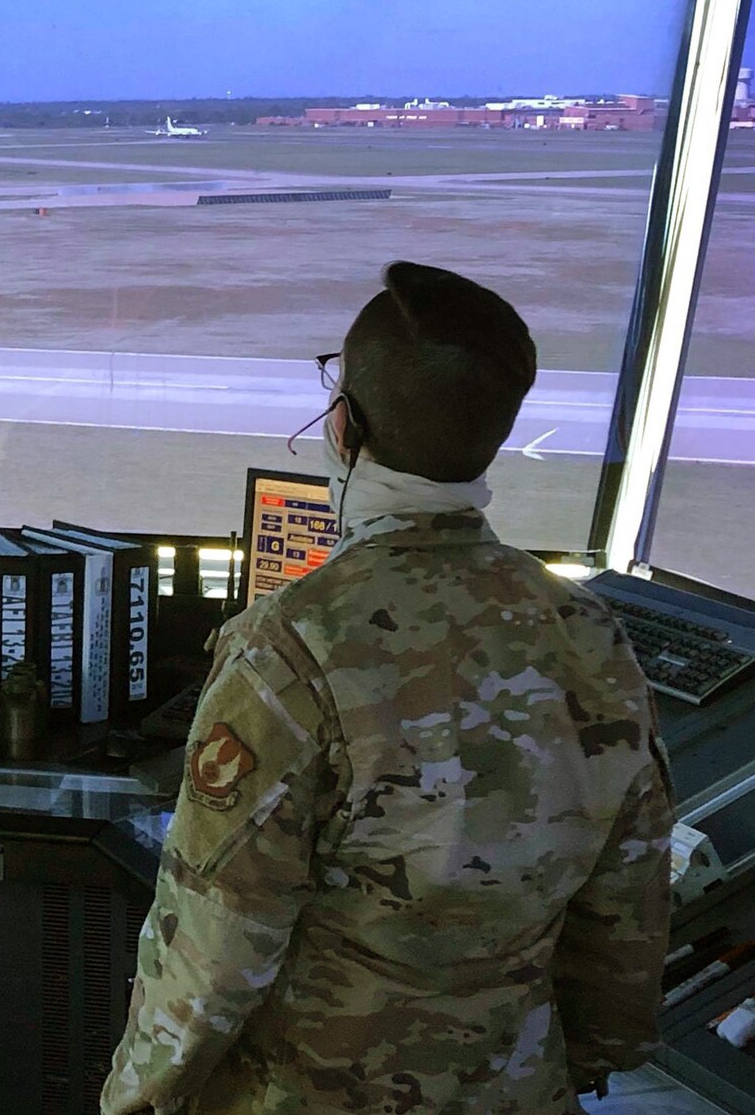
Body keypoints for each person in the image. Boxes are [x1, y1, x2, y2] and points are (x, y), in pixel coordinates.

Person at [102, 262, 673, 1115]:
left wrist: (136, 1097)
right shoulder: (589, 632)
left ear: (343, 428)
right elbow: (627, 899)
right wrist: (591, 1054)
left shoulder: (289, 644)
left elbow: (218, 943)